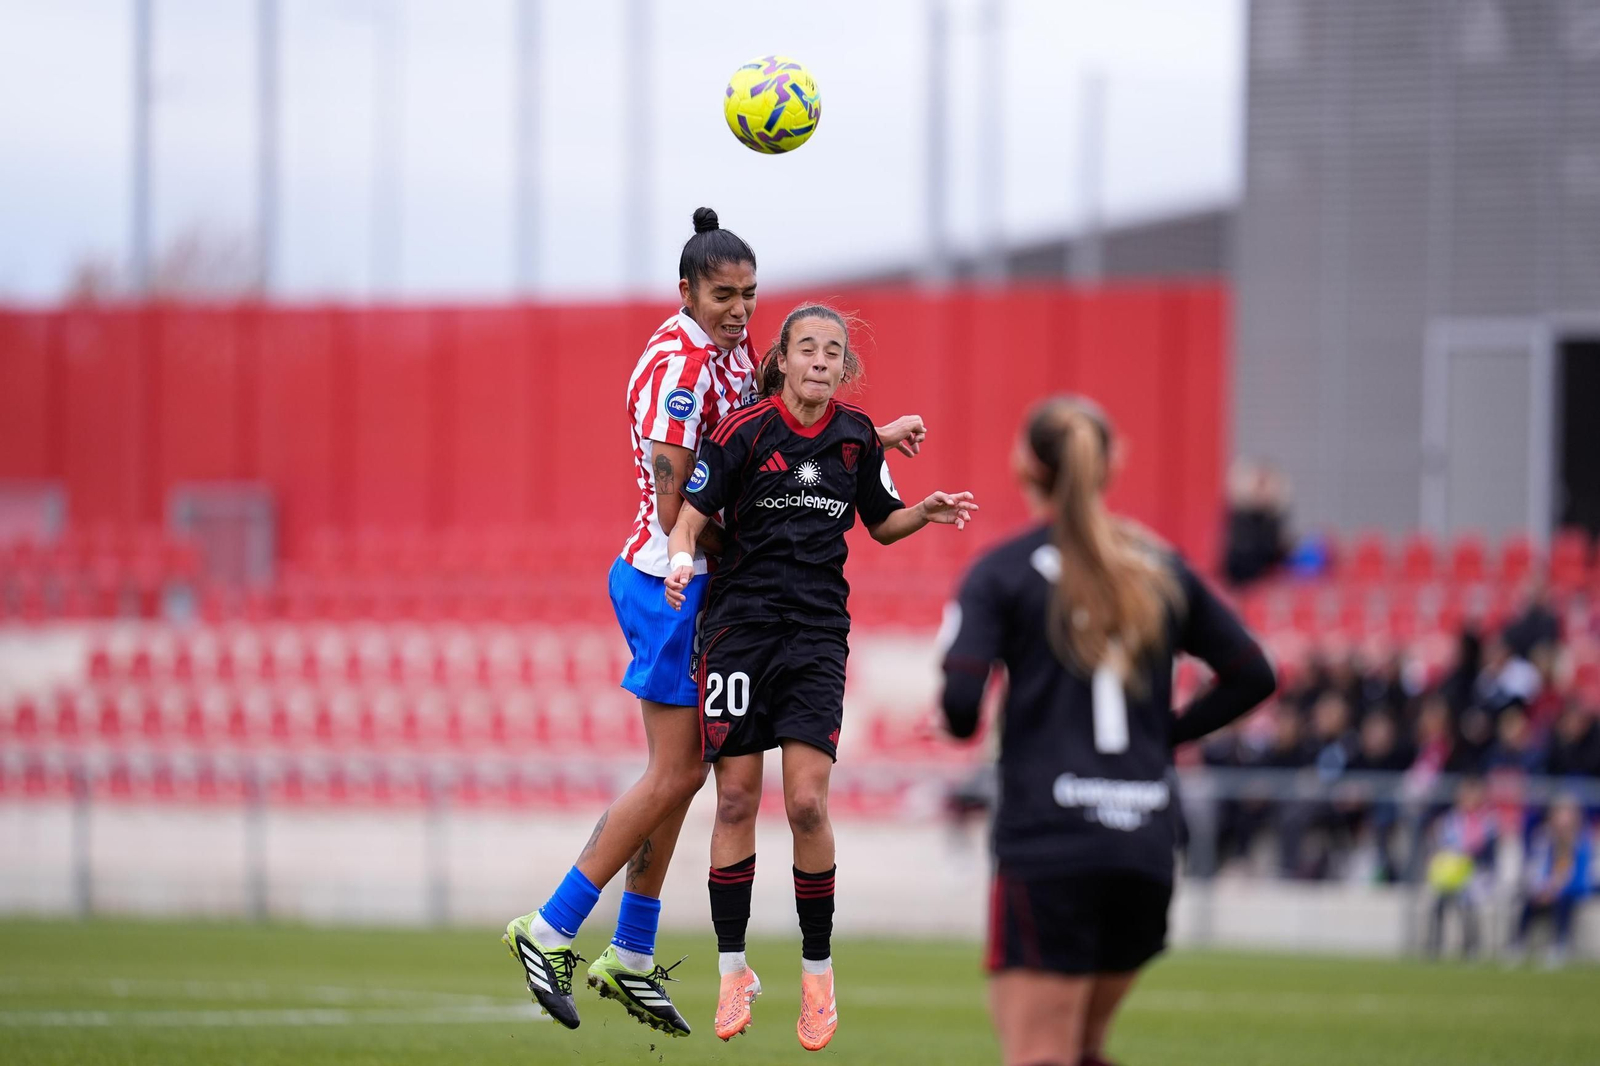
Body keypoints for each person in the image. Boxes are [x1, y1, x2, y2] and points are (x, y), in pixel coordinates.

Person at [503, 211, 927, 1036]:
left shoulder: (728, 354)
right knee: (674, 774)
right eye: (724, 295)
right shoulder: (677, 369)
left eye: (750, 294)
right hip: (671, 576)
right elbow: (675, 505)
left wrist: (868, 441)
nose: (741, 310)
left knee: (692, 773)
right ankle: (548, 928)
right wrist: (770, 541)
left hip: (709, 588)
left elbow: (771, 447)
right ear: (686, 290)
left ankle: (629, 952)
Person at [662, 303, 977, 1050]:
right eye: (807, 347)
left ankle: (817, 975)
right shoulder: (742, 433)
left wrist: (922, 513)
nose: (820, 360)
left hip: (815, 639)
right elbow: (688, 519)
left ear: (845, 367)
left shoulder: (856, 437)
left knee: (806, 801)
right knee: (735, 797)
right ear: (784, 357)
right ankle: (734, 971)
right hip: (739, 633)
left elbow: (881, 518)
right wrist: (679, 561)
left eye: (833, 351)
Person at [939, 395, 1275, 1066]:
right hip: (1145, 841)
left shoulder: (1002, 572)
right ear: (1112, 462)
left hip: (1051, 841)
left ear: (1024, 465)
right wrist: (1164, 736)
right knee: (1085, 1048)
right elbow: (1252, 674)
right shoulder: (1158, 565)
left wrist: (966, 707)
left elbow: (960, 708)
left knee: (1039, 1052)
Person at [1508, 796, 1592, 967]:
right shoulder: (1544, 839)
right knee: (1529, 902)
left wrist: (1555, 890)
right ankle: (1517, 945)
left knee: (1563, 902)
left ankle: (1558, 946)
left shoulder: (1581, 842)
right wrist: (1540, 890)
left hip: (1571, 891)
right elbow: (1535, 868)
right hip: (1546, 890)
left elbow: (1578, 875)